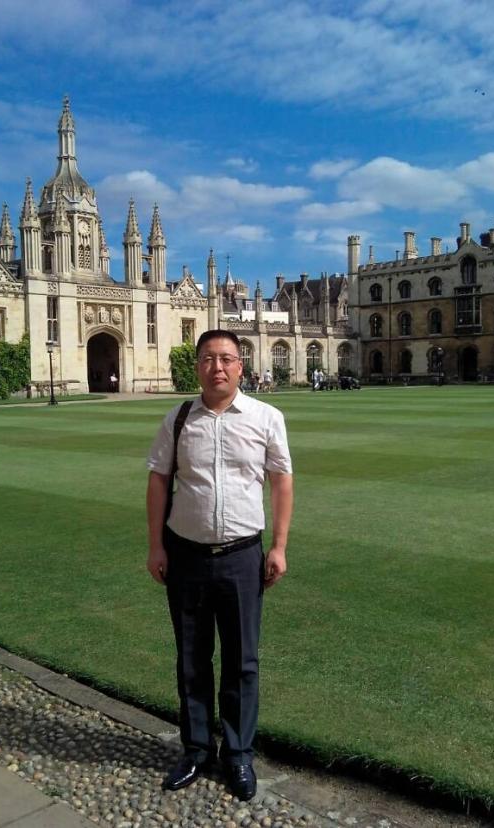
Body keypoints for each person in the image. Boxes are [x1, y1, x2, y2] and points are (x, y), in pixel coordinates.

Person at [146, 330, 293, 801]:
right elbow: (158, 480)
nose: (218, 367)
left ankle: (238, 753)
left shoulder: (266, 417)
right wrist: (156, 546)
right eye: (208, 359)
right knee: (191, 657)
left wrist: (279, 547)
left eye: (226, 358)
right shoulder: (178, 418)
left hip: (241, 556)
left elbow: (281, 481)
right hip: (186, 553)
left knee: (242, 660)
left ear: (240, 366)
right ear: (198, 367)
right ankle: (195, 749)